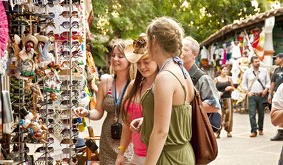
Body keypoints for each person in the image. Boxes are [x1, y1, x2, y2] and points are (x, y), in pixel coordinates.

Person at [131, 17, 195, 165]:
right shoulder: (181, 70)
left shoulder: (165, 77)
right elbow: (177, 112)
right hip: (182, 154)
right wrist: (147, 120)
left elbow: (161, 132)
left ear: (154, 41)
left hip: (168, 158)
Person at [73, 41, 134, 164]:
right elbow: (98, 112)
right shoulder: (106, 81)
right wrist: (87, 113)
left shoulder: (136, 84)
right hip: (107, 139)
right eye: (113, 55)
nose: (115, 59)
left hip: (130, 141)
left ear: (130, 59)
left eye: (120, 56)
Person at [115, 33, 158, 165]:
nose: (142, 66)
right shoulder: (133, 85)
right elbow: (128, 124)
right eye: (138, 62)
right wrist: (121, 153)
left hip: (157, 156)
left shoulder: (163, 85)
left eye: (146, 61)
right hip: (136, 155)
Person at [180, 36, 221, 132]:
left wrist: (184, 108)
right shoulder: (176, 74)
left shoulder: (203, 78)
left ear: (195, 54)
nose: (180, 52)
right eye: (179, 48)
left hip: (196, 130)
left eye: (185, 49)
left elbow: (214, 106)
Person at [241, 56, 271, 137]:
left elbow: (268, 82)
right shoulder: (247, 72)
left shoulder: (264, 71)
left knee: (261, 113)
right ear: (252, 63)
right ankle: (254, 130)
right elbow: (243, 84)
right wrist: (248, 92)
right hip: (252, 95)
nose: (258, 63)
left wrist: (266, 89)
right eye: (256, 62)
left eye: (258, 61)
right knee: (252, 114)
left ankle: (260, 129)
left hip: (262, 95)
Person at [214, 65, 235, 138]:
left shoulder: (229, 78)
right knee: (220, 115)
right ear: (221, 70)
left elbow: (233, 88)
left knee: (228, 115)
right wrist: (218, 93)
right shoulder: (216, 79)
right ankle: (217, 132)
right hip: (219, 99)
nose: (225, 71)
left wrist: (231, 88)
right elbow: (213, 89)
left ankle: (228, 131)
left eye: (227, 70)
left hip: (228, 98)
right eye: (224, 69)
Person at [268, 53, 283, 141]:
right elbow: (273, 83)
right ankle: (280, 132)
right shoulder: (276, 70)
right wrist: (270, 94)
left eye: (276, 58)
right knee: (278, 112)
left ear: (282, 58)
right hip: (278, 94)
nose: (275, 60)